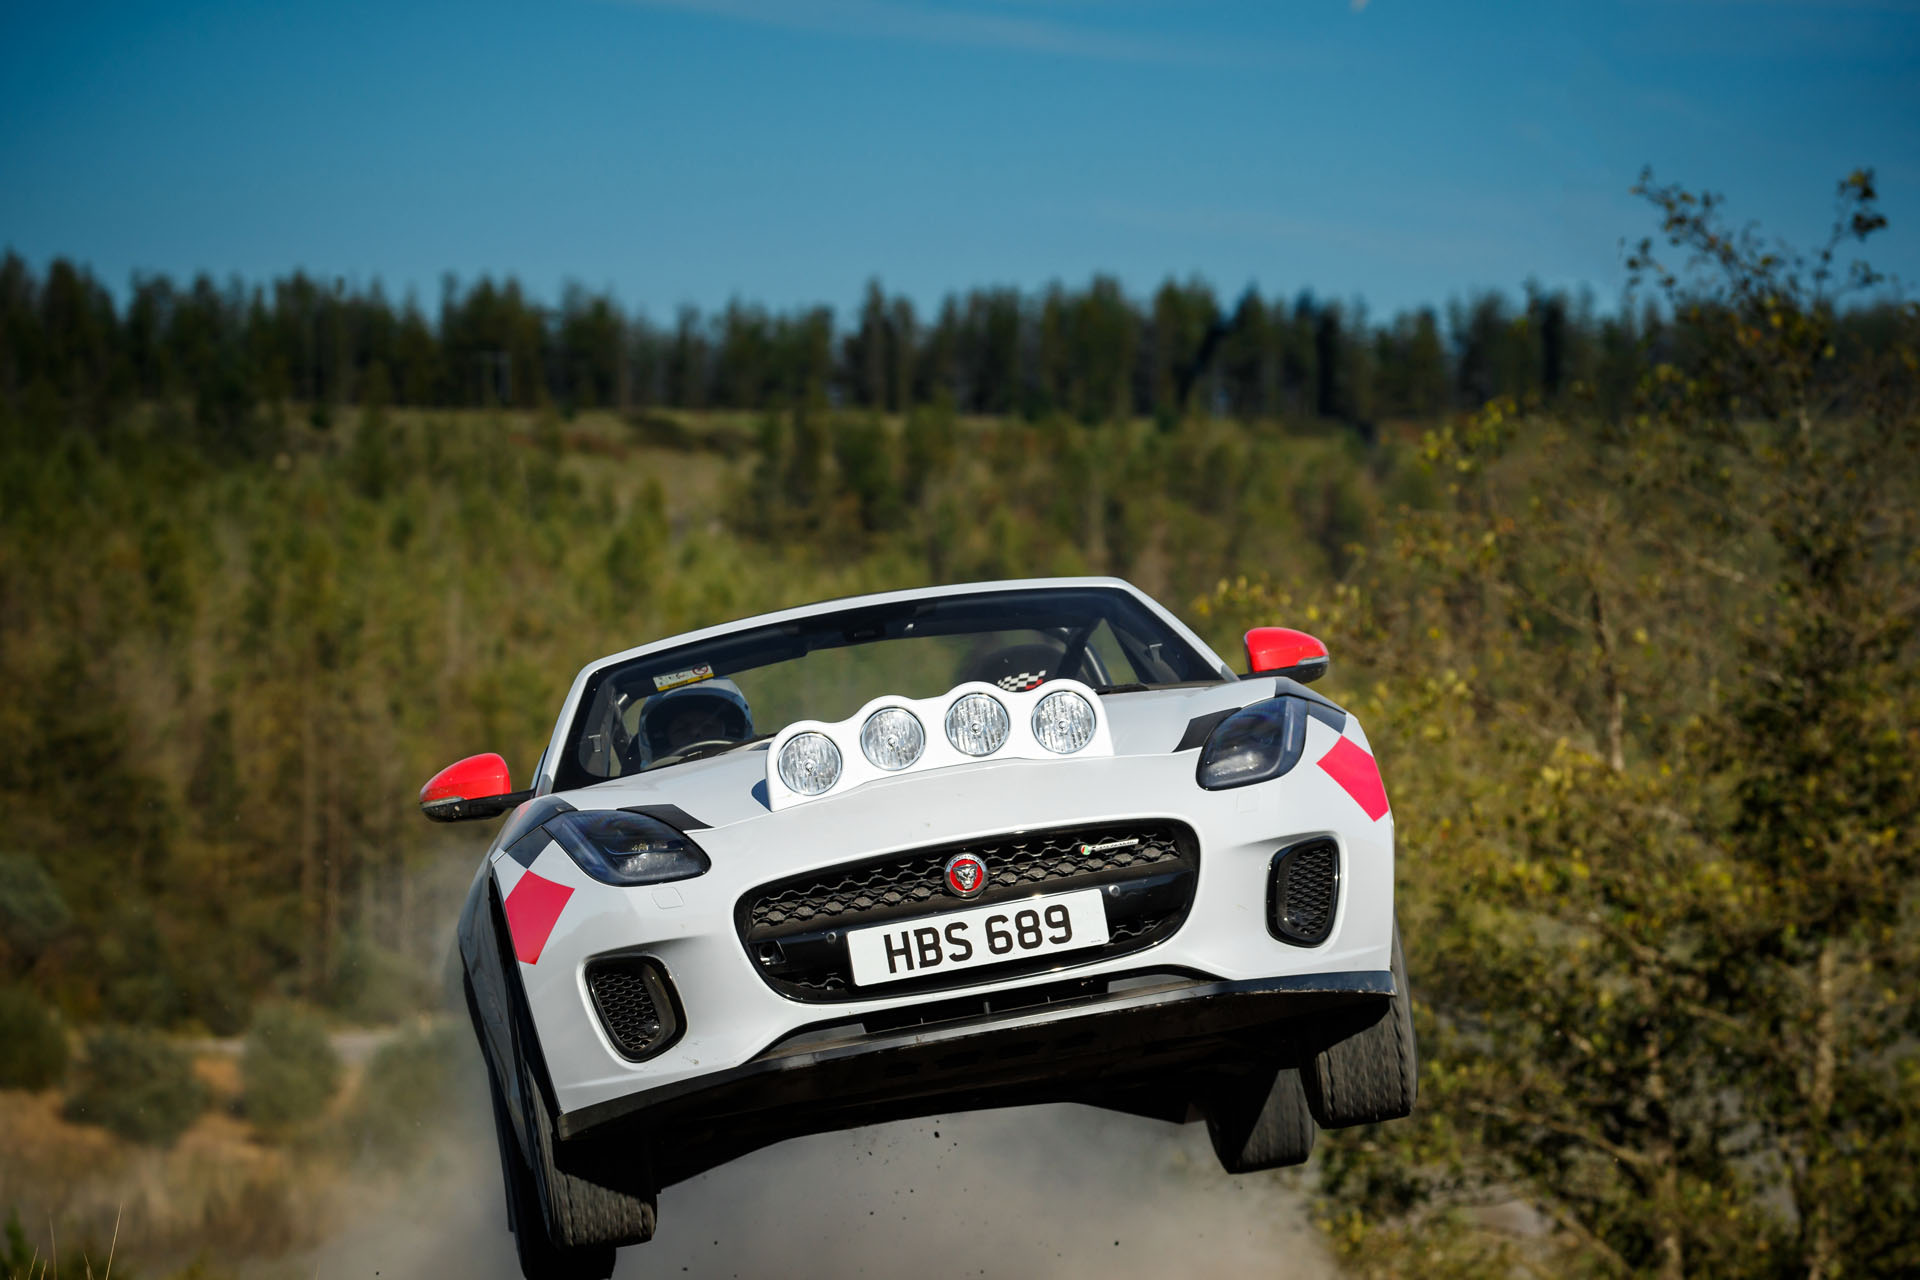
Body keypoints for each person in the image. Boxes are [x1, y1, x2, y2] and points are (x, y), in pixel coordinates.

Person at [635, 677, 755, 764]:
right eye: (682, 729)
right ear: (663, 740)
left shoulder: (764, 767)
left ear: (731, 730)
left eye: (708, 726)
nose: (695, 732)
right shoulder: (647, 788)